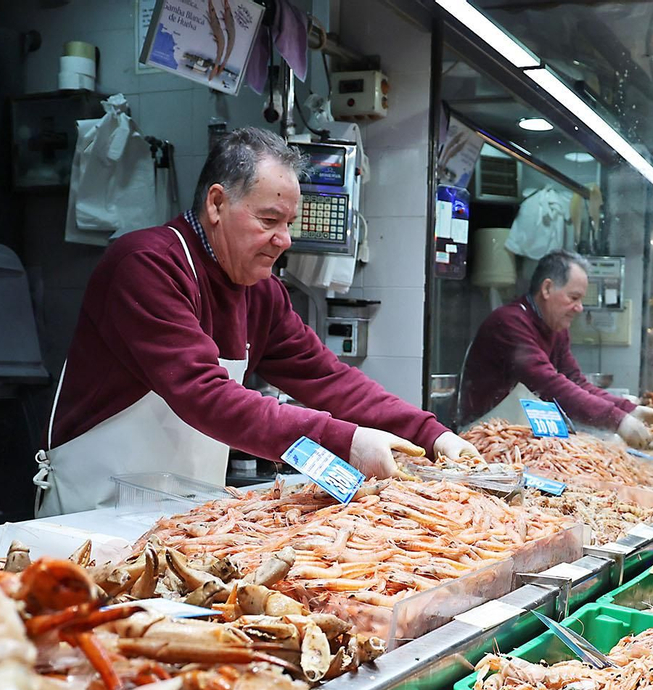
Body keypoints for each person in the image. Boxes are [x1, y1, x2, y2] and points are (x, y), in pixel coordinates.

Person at [35, 128, 477, 515]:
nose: (283, 240)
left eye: (289, 223)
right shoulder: (146, 265)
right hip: (94, 510)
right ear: (216, 203)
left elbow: (329, 379)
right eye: (269, 220)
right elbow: (204, 394)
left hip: (185, 515)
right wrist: (346, 441)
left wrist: (432, 435)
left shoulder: (260, 292)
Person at [457, 250, 653, 446]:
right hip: (482, 435)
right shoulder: (509, 323)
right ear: (547, 288)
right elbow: (550, 384)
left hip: (518, 434)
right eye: (574, 298)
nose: (580, 308)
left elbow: (575, 381)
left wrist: (629, 410)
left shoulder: (555, 328)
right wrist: (617, 420)